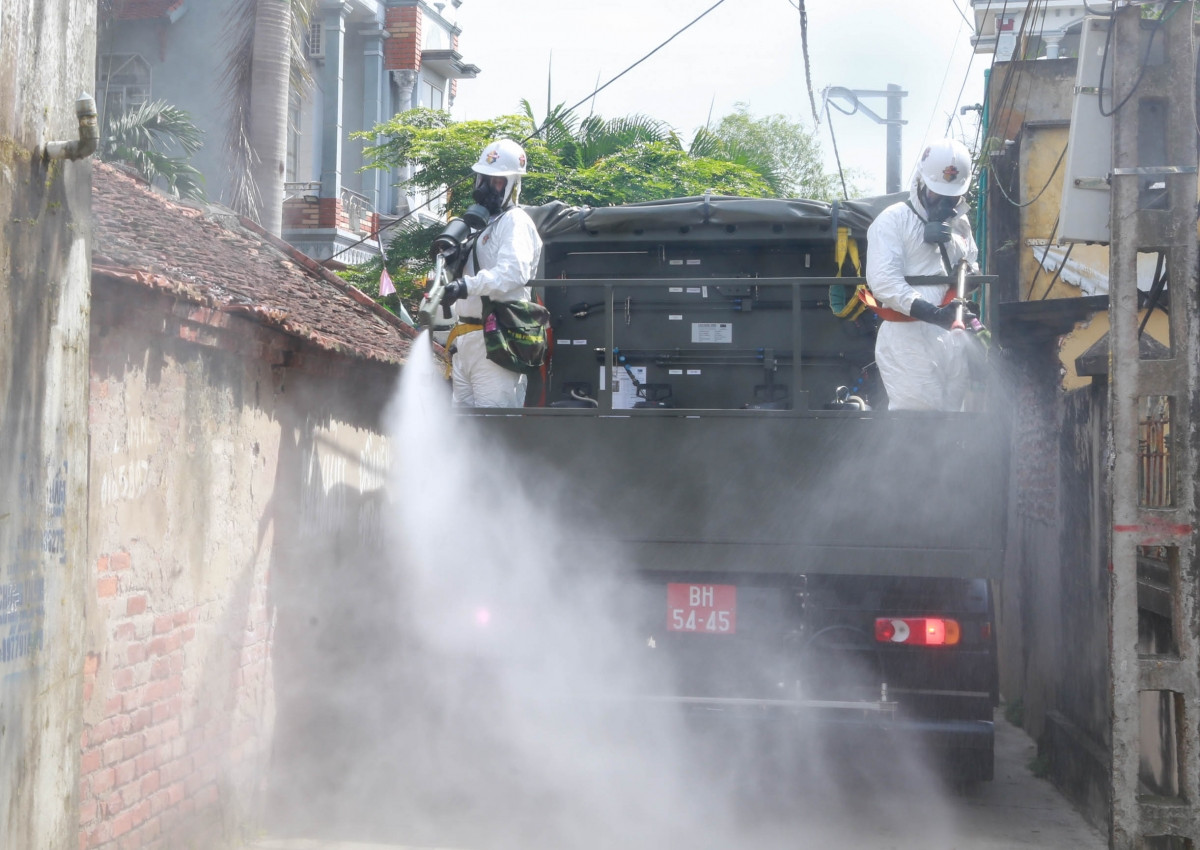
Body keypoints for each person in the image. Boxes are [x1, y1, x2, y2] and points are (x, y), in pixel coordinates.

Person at [864, 137, 980, 411]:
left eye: (951, 197)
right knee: (918, 422)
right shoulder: (893, 220)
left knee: (952, 424)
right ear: (921, 183)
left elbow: (972, 265)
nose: (944, 203)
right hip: (908, 339)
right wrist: (933, 314)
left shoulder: (960, 225)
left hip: (950, 338)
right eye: (937, 194)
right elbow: (883, 282)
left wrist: (967, 273)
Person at [440, 139, 543, 407]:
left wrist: (465, 286)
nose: (487, 188)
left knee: (493, 429)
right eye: (484, 179)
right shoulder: (478, 226)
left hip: (498, 340)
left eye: (497, 182)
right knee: (462, 433)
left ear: (511, 186)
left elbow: (512, 273)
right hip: (466, 340)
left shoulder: (515, 222)